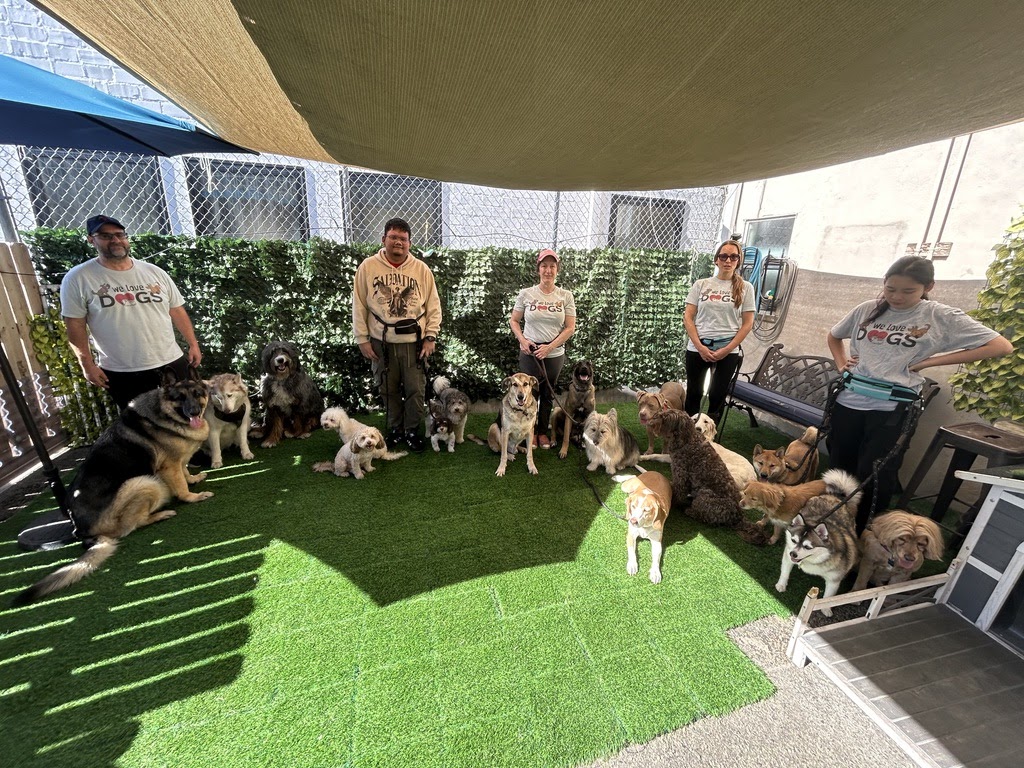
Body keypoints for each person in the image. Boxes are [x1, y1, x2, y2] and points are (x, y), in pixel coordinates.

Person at [827, 255, 1013, 533]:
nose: (896, 297)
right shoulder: (867, 309)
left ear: (928, 287)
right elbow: (834, 335)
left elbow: (1000, 346)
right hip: (849, 400)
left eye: (907, 291)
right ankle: (830, 525)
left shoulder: (940, 316)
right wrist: (842, 363)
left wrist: (930, 362)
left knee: (875, 474)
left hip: (892, 409)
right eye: (890, 289)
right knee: (840, 466)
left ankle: (865, 534)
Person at [60, 214, 203, 411]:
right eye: (106, 236)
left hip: (170, 360)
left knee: (187, 415)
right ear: (91, 239)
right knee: (142, 426)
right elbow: (74, 324)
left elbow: (176, 310)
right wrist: (87, 364)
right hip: (123, 370)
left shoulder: (154, 272)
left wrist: (193, 344)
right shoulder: (78, 278)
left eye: (120, 235)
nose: (116, 240)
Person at [353, 217, 442, 452]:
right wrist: (362, 338)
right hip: (380, 341)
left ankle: (412, 431)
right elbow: (359, 304)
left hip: (413, 343)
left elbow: (433, 305)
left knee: (415, 389)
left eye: (403, 239)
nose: (398, 243)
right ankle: (394, 430)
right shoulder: (368, 267)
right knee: (387, 388)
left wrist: (430, 336)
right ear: (384, 239)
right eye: (393, 237)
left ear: (410, 243)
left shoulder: (421, 269)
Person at [683, 238, 755, 425]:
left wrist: (726, 349)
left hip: (727, 350)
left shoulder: (746, 288)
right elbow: (688, 318)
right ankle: (688, 437)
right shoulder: (701, 284)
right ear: (716, 259)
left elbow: (747, 324)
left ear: (738, 260)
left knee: (717, 396)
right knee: (694, 394)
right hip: (698, 348)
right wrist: (699, 347)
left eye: (733, 256)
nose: (728, 260)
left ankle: (710, 441)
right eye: (723, 256)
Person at [509, 249, 577, 448]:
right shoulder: (527, 294)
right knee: (527, 394)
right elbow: (514, 320)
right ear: (538, 269)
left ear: (557, 270)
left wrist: (549, 348)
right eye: (544, 266)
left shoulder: (565, 296)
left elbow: (570, 327)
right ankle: (527, 431)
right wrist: (523, 340)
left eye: (552, 266)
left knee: (547, 395)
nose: (548, 270)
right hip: (529, 354)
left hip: (554, 354)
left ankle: (541, 433)